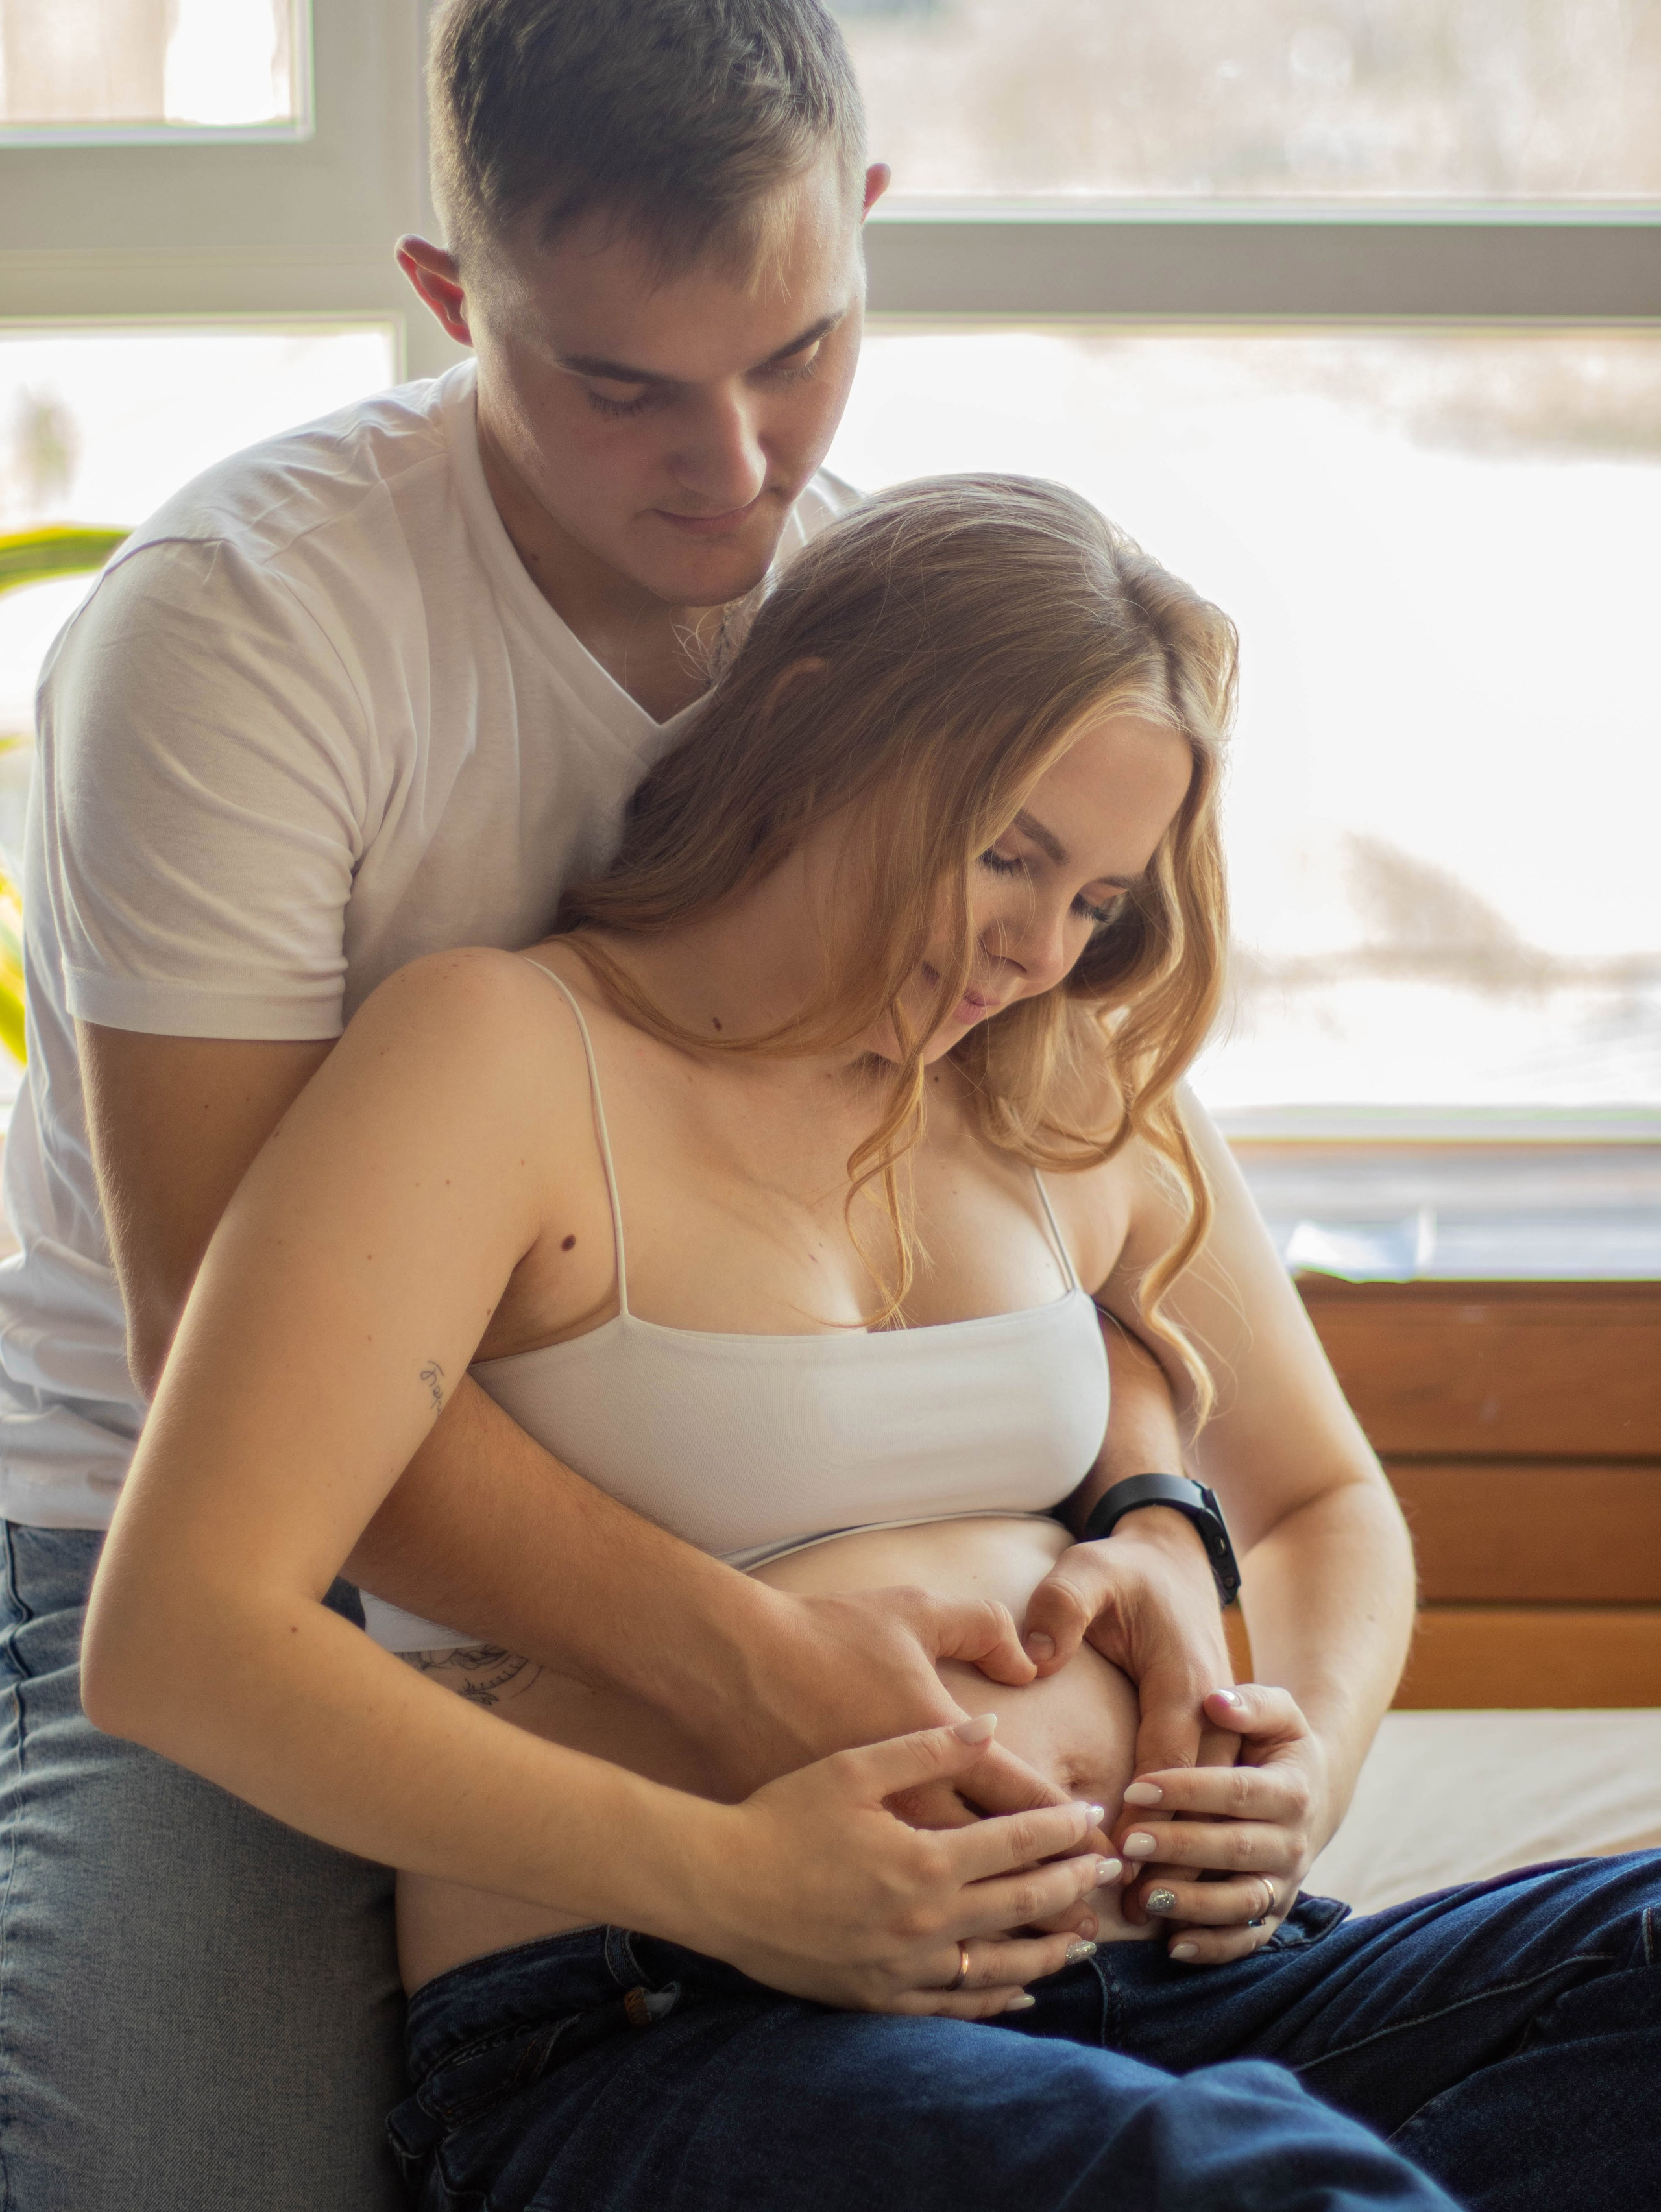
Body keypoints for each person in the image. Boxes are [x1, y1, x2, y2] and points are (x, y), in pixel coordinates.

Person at [0, 5, 1245, 2206]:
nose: (740, 469)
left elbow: (1090, 1178)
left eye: (799, 353)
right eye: (622, 388)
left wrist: (1159, 1519)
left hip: (700, 1488)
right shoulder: (246, 637)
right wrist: (760, 1669)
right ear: (450, 299)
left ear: (861, 233)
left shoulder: (880, 617)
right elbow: (238, 1366)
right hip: (186, 1520)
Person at [84, 477, 1660, 2212]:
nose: (1039, 947)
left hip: (1185, 1984)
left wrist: (1308, 1763)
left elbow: (1316, 1501)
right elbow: (176, 1635)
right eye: (1009, 852)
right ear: (822, 717)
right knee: (1237, 2180)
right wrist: (733, 1874)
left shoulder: (1065, 1075)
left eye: (1098, 898)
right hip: (684, 2009)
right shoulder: (505, 1053)